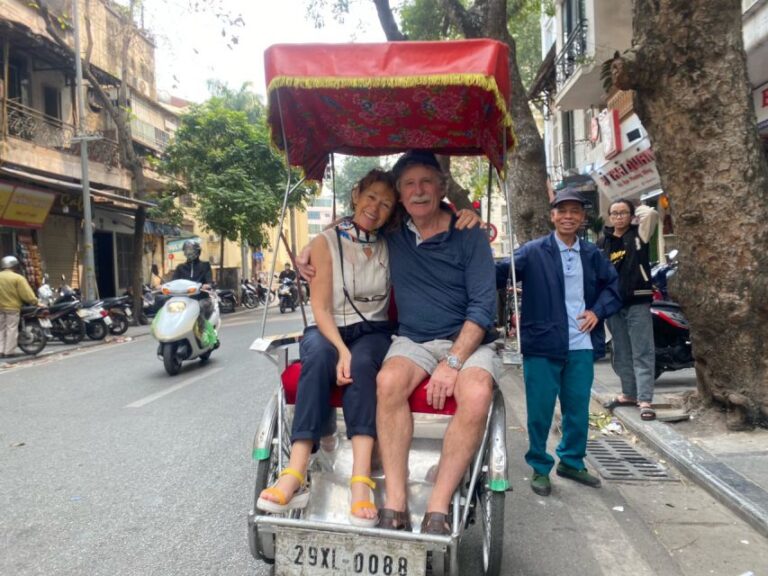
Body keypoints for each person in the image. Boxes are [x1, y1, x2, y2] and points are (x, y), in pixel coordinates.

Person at [296, 151, 489, 534]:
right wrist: (311, 248)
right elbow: (356, 224)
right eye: (409, 185)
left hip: (465, 341)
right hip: (413, 340)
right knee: (387, 382)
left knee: (479, 394)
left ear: (441, 187)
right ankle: (396, 503)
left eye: (426, 183)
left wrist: (452, 363)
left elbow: (483, 307)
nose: (418, 192)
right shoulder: (394, 232)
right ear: (401, 195)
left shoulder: (469, 233)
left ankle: (438, 506)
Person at [256, 169, 398, 527]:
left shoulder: (393, 241)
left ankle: (360, 481)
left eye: (385, 203)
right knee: (318, 356)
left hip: (374, 330)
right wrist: (341, 350)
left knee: (363, 366)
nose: (375, 207)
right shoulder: (324, 243)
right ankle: (295, 470)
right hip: (328, 326)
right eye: (371, 197)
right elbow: (320, 309)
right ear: (356, 195)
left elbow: (435, 216)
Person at [496, 187, 621, 497]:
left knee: (577, 408)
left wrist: (597, 311)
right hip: (542, 342)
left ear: (582, 218)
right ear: (552, 216)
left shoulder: (592, 254)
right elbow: (500, 273)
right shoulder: (532, 251)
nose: (568, 216)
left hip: (580, 343)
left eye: (574, 212)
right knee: (539, 409)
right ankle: (540, 466)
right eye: (562, 211)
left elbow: (614, 287)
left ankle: (571, 460)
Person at [598, 199, 659, 420]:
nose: (619, 217)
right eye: (615, 213)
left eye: (624, 213)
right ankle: (628, 393)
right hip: (613, 304)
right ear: (609, 217)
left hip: (638, 301)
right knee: (621, 351)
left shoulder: (639, 234)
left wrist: (635, 205)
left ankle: (645, 399)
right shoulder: (603, 241)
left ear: (631, 215)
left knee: (642, 351)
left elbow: (651, 213)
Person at [0, 255, 39, 357]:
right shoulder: (18, 278)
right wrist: (35, 302)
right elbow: (26, 294)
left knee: (1, 329)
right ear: (14, 266)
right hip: (12, 308)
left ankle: (0, 350)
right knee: (11, 329)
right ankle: (8, 352)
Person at [172, 240, 214, 318]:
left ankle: (202, 328)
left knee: (201, 307)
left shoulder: (205, 265)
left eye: (191, 249)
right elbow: (173, 282)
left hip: (201, 297)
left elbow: (209, 280)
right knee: (168, 305)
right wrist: (164, 286)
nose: (189, 252)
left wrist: (207, 285)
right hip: (184, 299)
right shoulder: (180, 267)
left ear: (197, 251)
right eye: (186, 249)